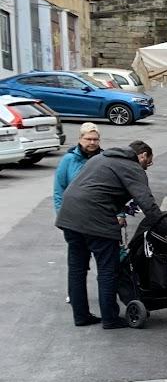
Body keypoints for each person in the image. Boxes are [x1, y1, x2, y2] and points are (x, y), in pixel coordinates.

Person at [55, 139, 160, 329]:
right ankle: (110, 319)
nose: (148, 166)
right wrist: (163, 225)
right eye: (149, 162)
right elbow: (146, 201)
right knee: (108, 270)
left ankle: (81, 316)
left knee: (77, 269)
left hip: (69, 216)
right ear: (143, 156)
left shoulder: (99, 158)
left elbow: (96, 188)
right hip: (96, 220)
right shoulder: (133, 168)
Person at [53, 122, 102, 211]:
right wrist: (60, 213)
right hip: (74, 211)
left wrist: (119, 213)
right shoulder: (68, 159)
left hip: (99, 212)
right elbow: (59, 189)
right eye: (88, 139)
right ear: (80, 139)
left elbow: (115, 188)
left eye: (95, 139)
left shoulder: (104, 159)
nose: (92, 142)